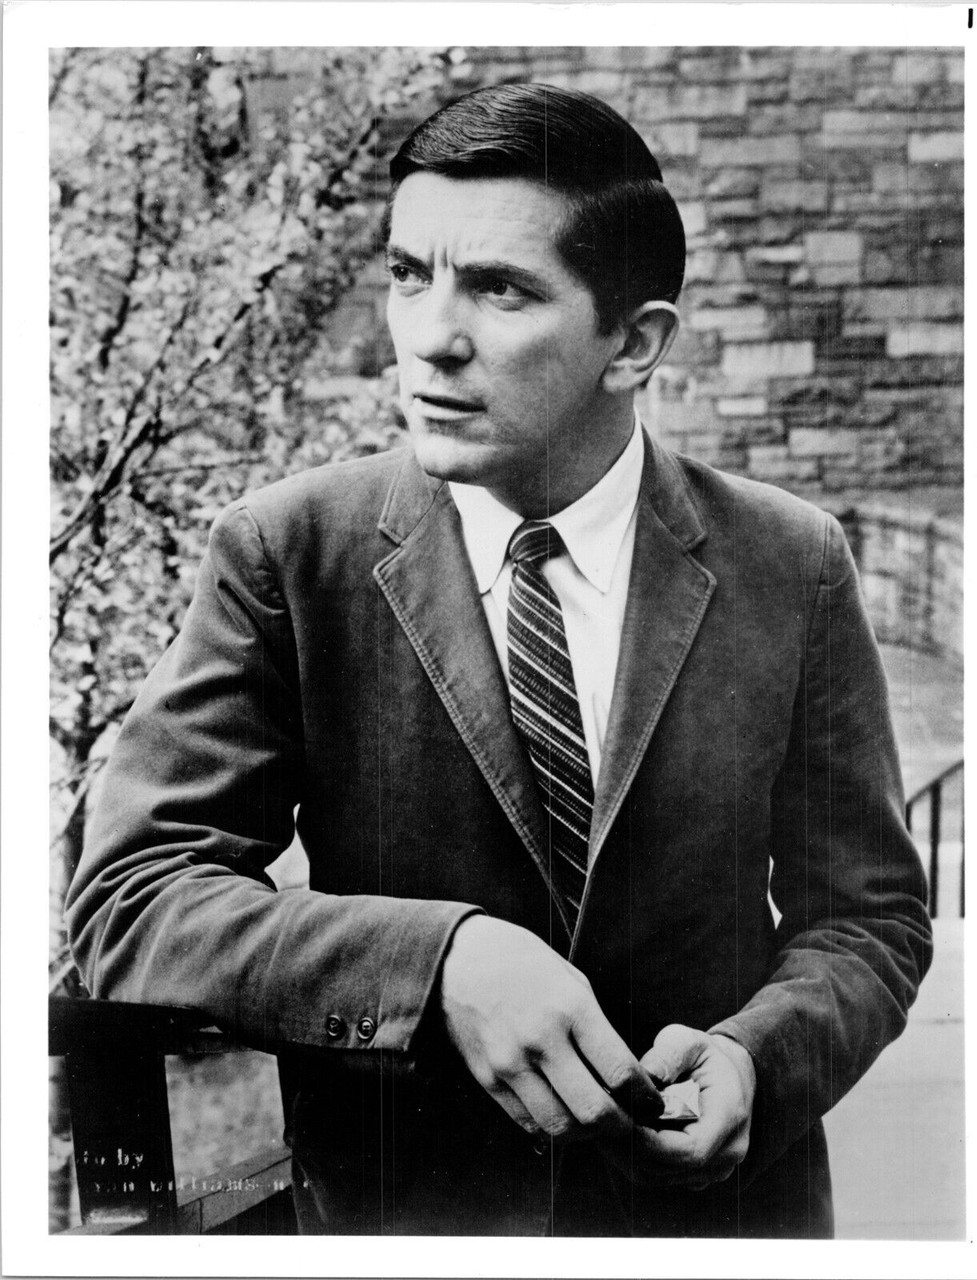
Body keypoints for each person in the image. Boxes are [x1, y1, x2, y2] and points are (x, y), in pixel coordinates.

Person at [66, 82, 932, 1238]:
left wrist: (755, 1059)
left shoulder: (790, 561)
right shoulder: (288, 551)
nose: (429, 336)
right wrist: (437, 963)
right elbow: (132, 898)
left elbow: (869, 914)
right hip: (408, 1229)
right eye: (408, 273)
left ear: (634, 343)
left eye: (499, 288)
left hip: (718, 1228)